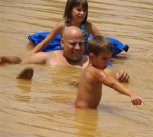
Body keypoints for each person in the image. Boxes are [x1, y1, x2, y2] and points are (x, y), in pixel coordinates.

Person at [0, 26, 129, 82]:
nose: (78, 48)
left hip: (75, 97)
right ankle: (27, 83)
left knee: (80, 83)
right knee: (39, 76)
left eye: (81, 44)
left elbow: (108, 72)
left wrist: (119, 75)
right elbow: (20, 60)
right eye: (73, 44)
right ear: (62, 43)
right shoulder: (50, 57)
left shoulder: (89, 61)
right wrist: (5, 59)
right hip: (53, 87)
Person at [75, 36, 144, 109]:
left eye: (109, 59)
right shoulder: (96, 72)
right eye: (104, 59)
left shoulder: (87, 69)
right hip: (85, 112)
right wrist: (131, 93)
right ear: (92, 57)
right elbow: (112, 83)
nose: (107, 62)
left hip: (80, 108)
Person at [30, 0, 99, 54]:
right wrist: (31, 54)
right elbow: (45, 43)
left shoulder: (89, 26)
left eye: (84, 10)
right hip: (67, 53)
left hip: (82, 53)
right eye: (79, 10)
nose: (82, 13)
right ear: (70, 10)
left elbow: (102, 43)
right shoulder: (62, 26)